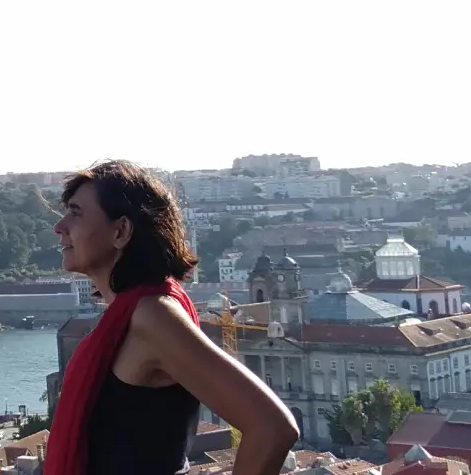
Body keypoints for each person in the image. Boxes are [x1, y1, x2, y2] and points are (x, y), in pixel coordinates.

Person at [46, 160, 297, 475]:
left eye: (76, 212)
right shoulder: (132, 314)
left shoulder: (153, 315)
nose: (60, 226)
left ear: (121, 231)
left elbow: (271, 427)